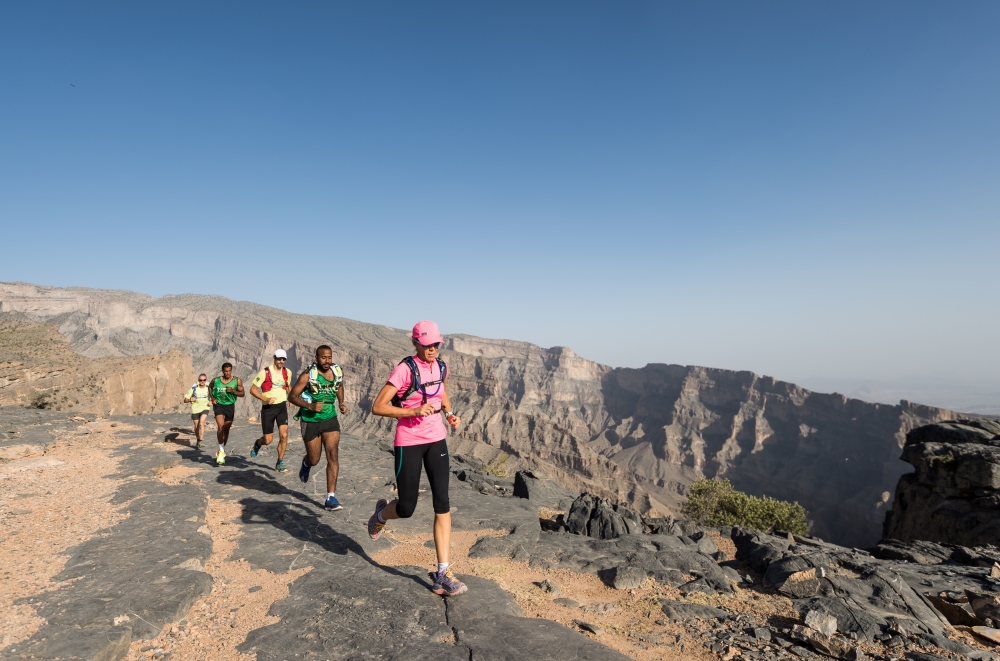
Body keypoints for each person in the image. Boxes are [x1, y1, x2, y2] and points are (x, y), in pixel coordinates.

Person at [366, 320, 465, 596]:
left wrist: (449, 414)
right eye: (427, 344)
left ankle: (442, 574)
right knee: (406, 508)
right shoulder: (405, 369)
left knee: (442, 504)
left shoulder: (441, 367)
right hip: (408, 441)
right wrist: (413, 411)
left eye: (436, 344)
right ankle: (380, 514)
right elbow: (378, 406)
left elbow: (441, 393)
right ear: (415, 343)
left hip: (436, 439)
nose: (432, 349)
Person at [288, 345, 348, 510]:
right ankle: (306, 464)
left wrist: (341, 403)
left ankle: (330, 498)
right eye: (323, 358)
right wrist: (310, 406)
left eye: (329, 357)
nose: (327, 361)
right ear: (316, 358)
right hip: (310, 420)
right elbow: (292, 396)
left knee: (333, 455)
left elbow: (339, 385)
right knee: (314, 459)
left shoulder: (336, 371)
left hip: (330, 417)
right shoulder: (308, 375)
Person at [249, 349, 293, 472]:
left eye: (283, 359)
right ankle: (258, 443)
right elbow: (252, 390)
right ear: (274, 358)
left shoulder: (287, 372)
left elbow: (287, 386)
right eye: (279, 359)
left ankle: (280, 462)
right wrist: (265, 399)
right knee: (268, 440)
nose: (281, 361)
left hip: (281, 407)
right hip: (268, 409)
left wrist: (291, 398)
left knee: (284, 436)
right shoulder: (264, 372)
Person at [210, 362, 244, 465]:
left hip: (230, 406)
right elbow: (210, 387)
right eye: (226, 371)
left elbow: (242, 393)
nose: (227, 373)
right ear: (222, 371)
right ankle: (221, 451)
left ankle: (222, 450)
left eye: (229, 371)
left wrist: (233, 391)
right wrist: (212, 398)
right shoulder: (216, 380)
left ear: (231, 370)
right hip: (219, 405)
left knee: (226, 428)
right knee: (220, 427)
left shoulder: (237, 380)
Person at [183, 374, 211, 448]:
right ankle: (198, 440)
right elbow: (185, 400)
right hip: (195, 409)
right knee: (196, 426)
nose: (202, 381)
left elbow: (215, 395)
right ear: (198, 380)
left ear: (206, 380)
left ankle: (201, 441)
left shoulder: (209, 387)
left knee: (201, 423)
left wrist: (211, 401)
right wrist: (190, 399)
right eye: (200, 380)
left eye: (204, 380)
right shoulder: (194, 388)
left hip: (205, 407)